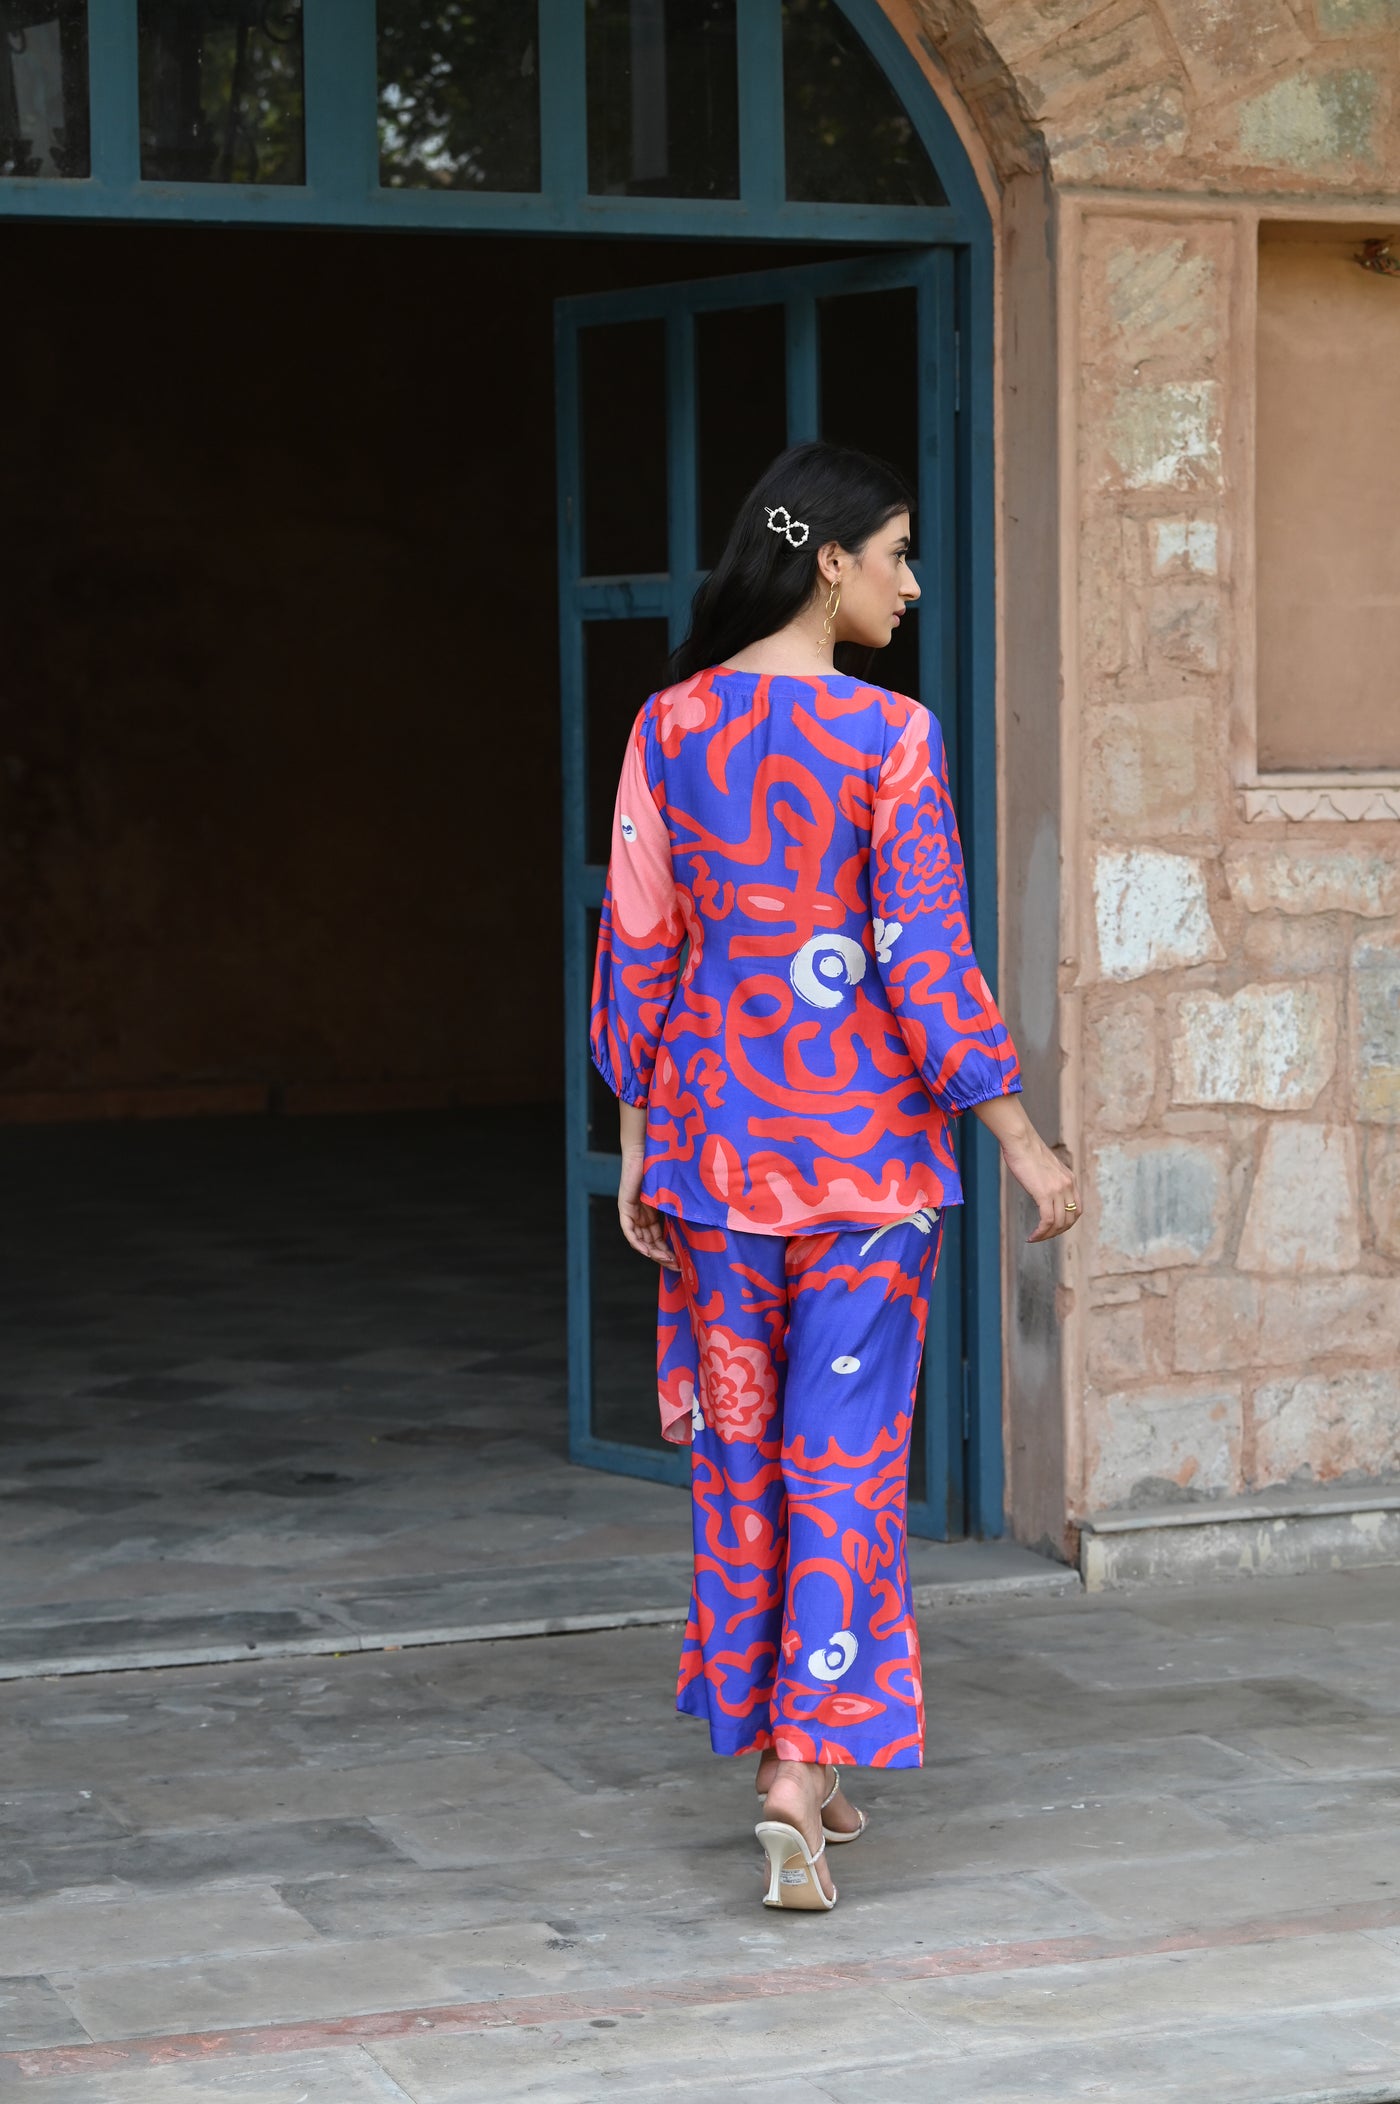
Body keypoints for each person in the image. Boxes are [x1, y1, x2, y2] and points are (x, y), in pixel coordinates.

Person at [590, 440, 1080, 1913]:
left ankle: (790, 1755)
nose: (910, 585)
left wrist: (638, 1137)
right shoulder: (888, 739)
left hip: (712, 1156)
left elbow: (638, 943)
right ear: (830, 562)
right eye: (898, 555)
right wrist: (1020, 1138)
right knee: (846, 1461)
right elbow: (924, 958)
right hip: (864, 1170)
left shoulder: (669, 726)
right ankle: (803, 1769)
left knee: (746, 1466)